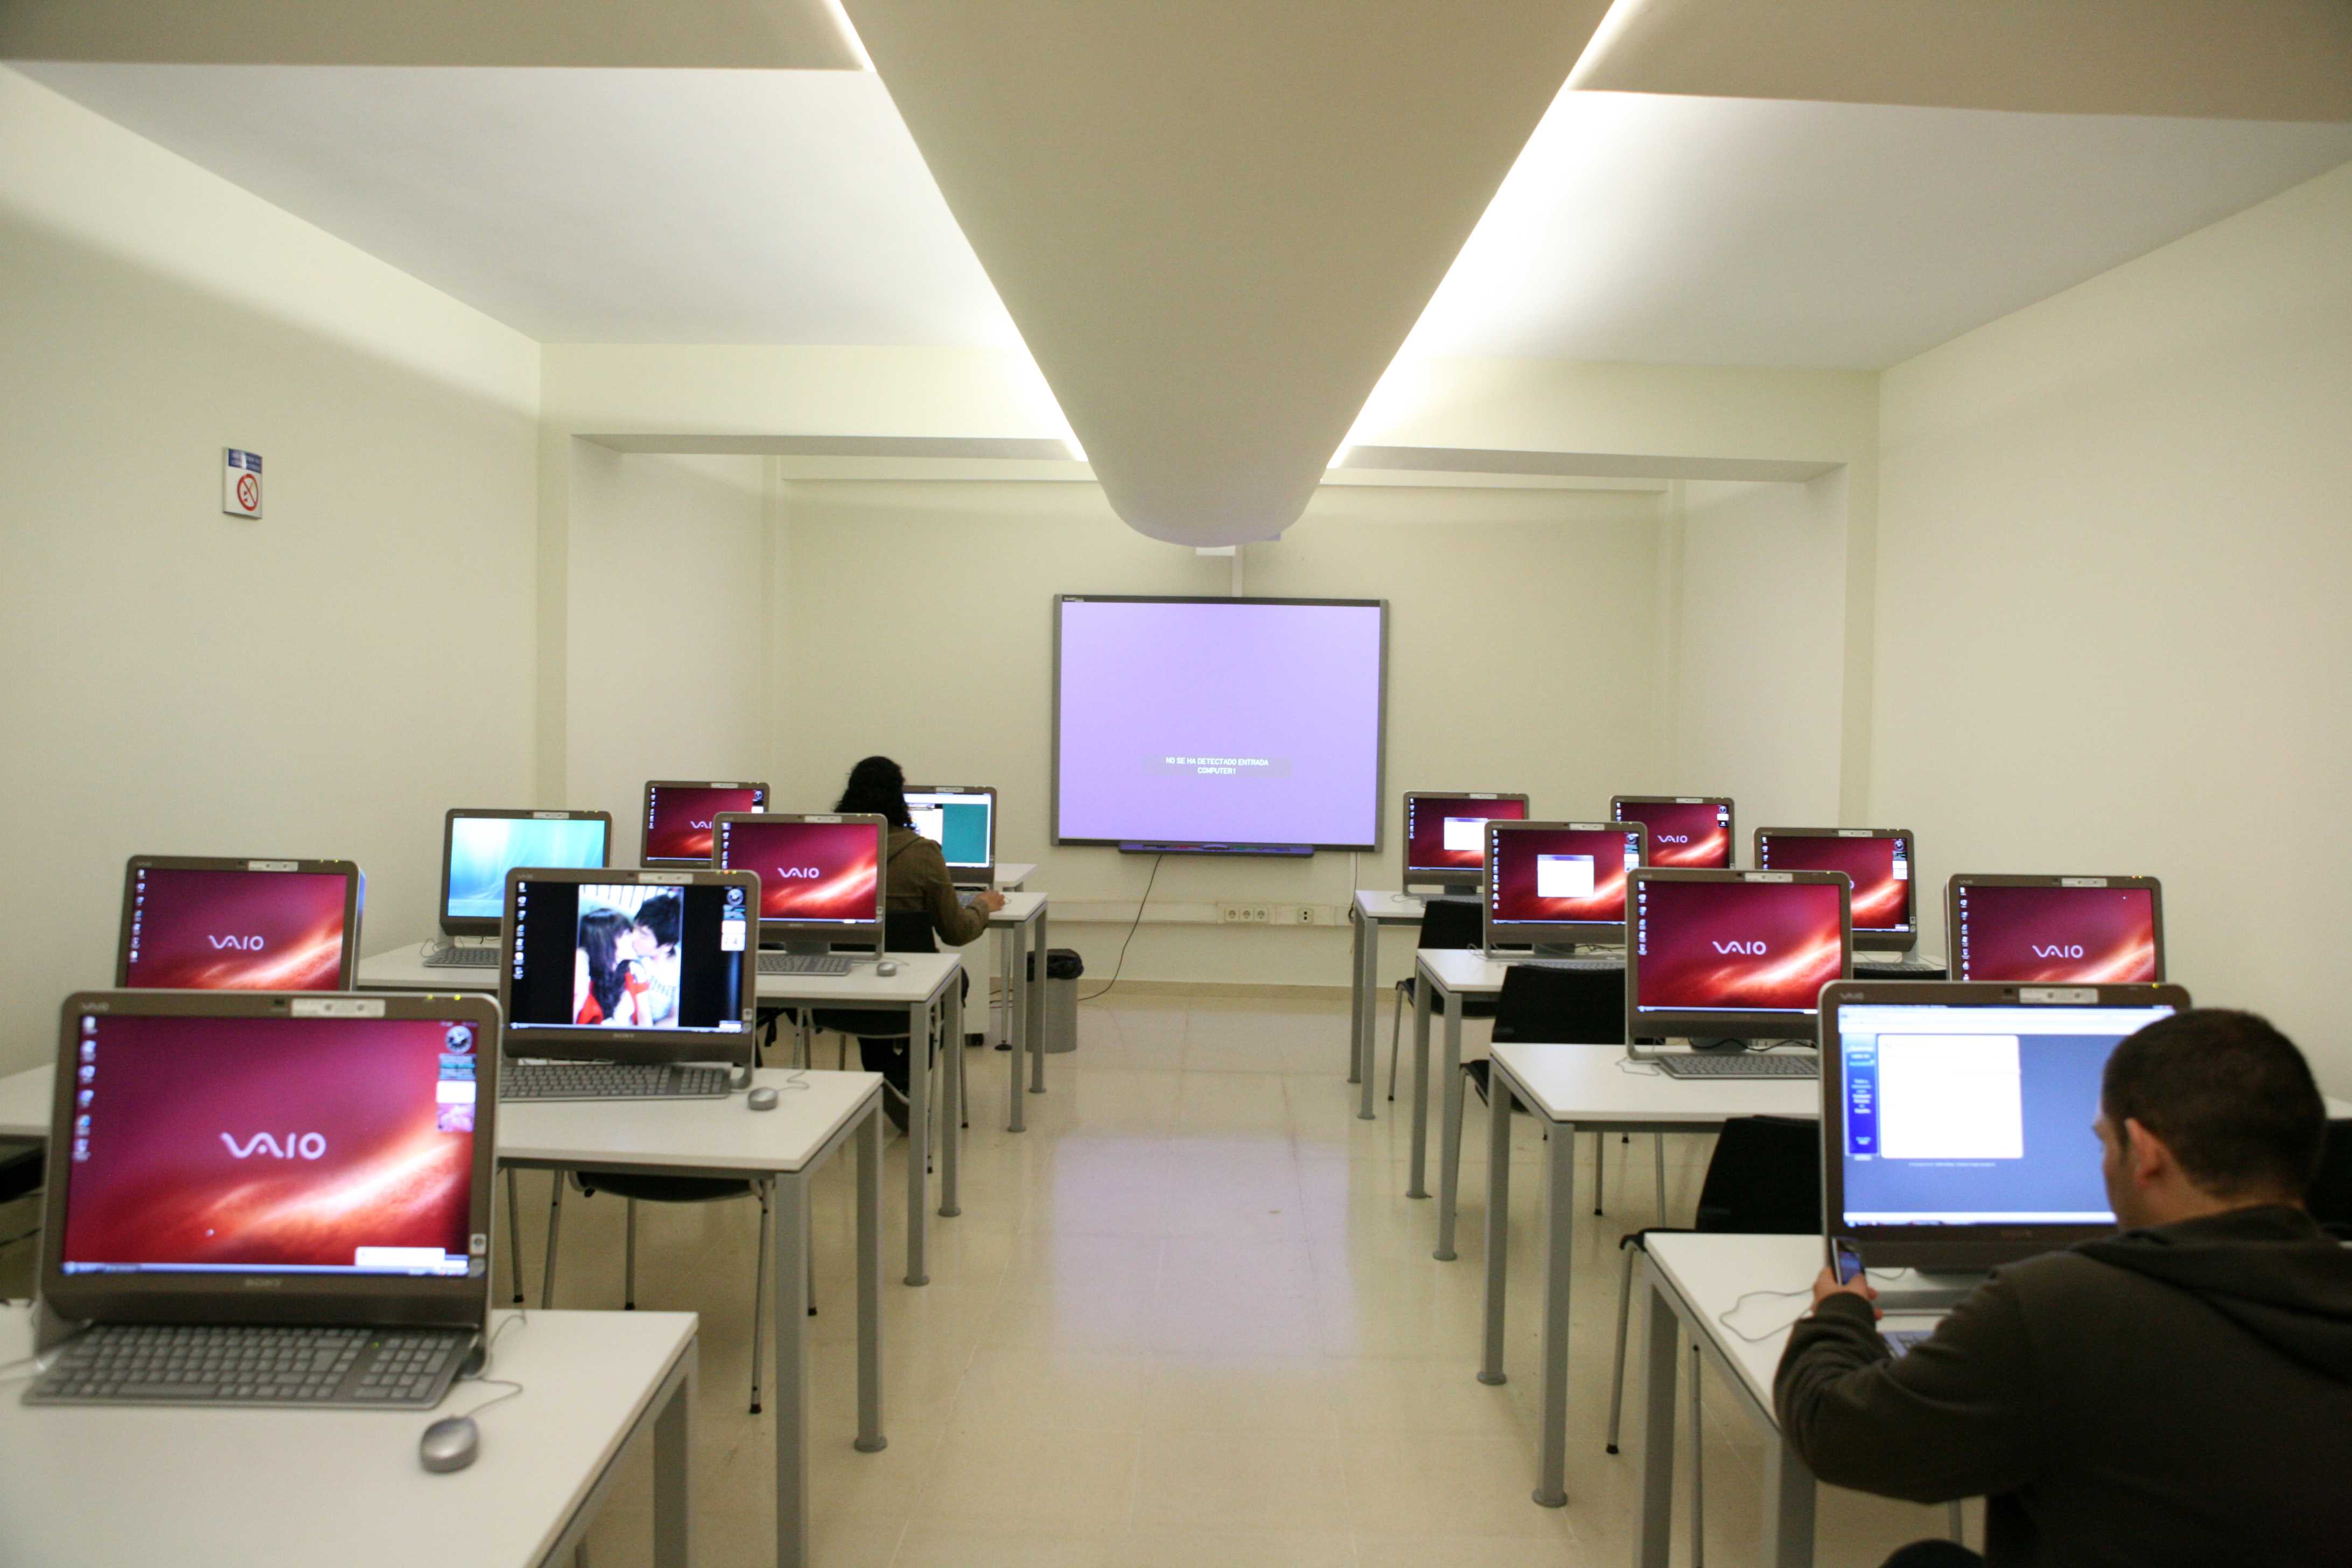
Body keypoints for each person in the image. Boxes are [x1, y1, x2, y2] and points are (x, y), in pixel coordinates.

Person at [1774, 1009, 2352, 1567]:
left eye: (2103, 1142)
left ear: (2145, 1153)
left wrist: (1839, 1316)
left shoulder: (2062, 1308)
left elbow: (1835, 1430)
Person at [835, 756, 1003, 1126]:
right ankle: (906, 1077)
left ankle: (881, 1070)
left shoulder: (828, 848)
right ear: (899, 798)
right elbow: (956, 932)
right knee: (950, 984)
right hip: (910, 991)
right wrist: (982, 905)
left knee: (866, 981)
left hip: (838, 1000)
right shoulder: (922, 852)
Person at [628, 889, 684, 1026]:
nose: (633, 937)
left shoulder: (680, 969)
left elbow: (675, 1018)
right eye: (634, 928)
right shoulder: (633, 954)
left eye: (643, 935)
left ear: (666, 946)